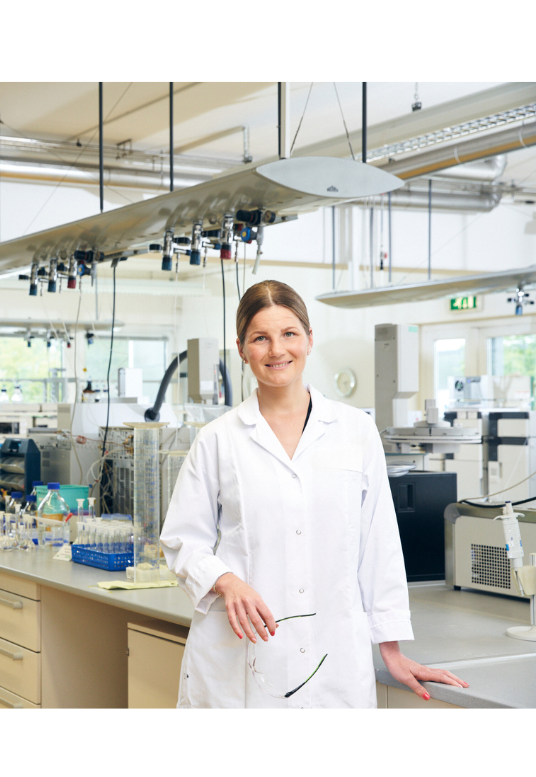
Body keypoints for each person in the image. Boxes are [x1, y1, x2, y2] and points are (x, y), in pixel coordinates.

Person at [160, 280, 468, 708]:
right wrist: (226, 581)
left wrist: (391, 649)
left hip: (333, 657)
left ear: (308, 339)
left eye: (289, 334)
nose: (277, 350)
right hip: (242, 657)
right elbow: (182, 540)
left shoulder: (355, 431)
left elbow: (377, 545)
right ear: (242, 349)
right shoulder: (217, 440)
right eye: (260, 338)